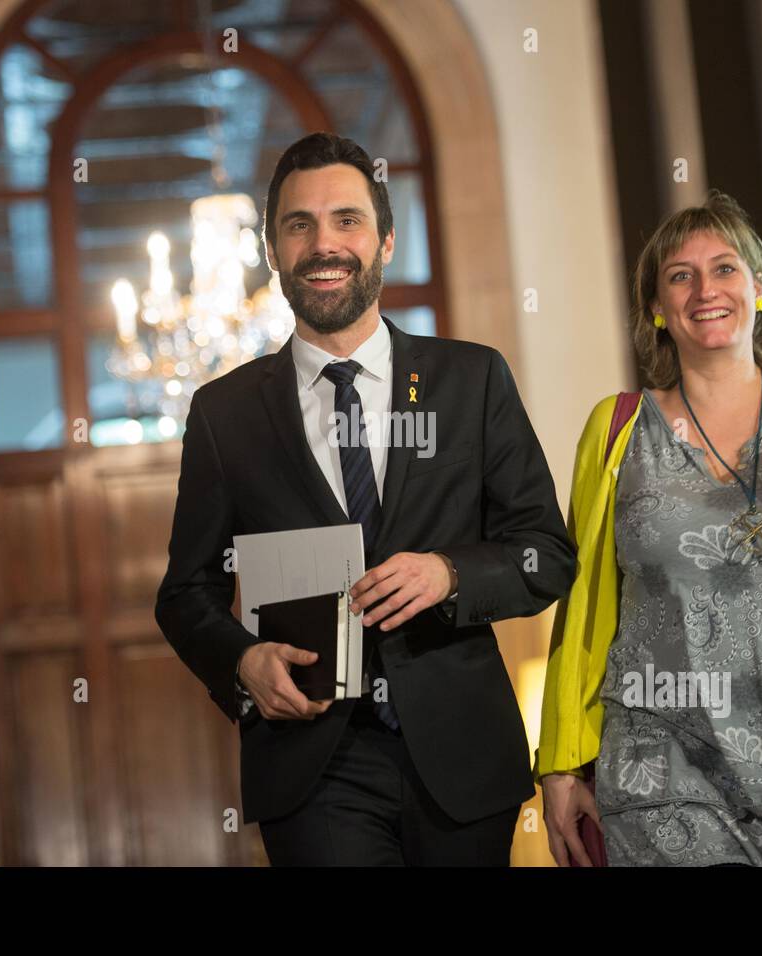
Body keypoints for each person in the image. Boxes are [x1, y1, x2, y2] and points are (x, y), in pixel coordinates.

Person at [155, 132, 576, 865]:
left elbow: (545, 554)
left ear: (385, 239)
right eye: (299, 225)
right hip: (312, 765)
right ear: (272, 250)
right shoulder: (225, 415)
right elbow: (186, 594)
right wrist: (244, 665)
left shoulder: (471, 381)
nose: (324, 244)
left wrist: (449, 573)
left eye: (346, 220)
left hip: (463, 758)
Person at [537, 191, 762, 866]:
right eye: (680, 275)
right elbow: (581, 608)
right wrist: (560, 762)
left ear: (759, 290)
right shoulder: (616, 431)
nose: (705, 289)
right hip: (663, 764)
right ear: (656, 305)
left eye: (725, 268)